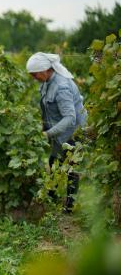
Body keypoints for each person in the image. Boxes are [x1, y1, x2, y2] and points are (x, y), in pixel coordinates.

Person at [26, 52, 88, 212]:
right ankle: (51, 197)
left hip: (74, 131)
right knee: (54, 162)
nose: (34, 78)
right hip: (59, 130)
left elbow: (69, 118)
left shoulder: (61, 87)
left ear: (45, 70)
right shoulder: (47, 82)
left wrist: (48, 133)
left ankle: (69, 207)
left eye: (35, 75)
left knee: (71, 168)